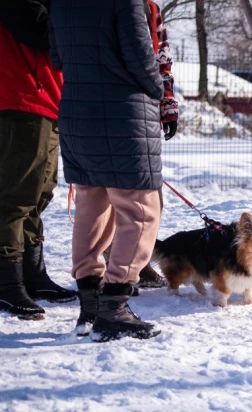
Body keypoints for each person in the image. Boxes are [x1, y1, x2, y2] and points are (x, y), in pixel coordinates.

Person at [49, 0, 166, 341]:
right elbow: (141, 59)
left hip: (75, 111)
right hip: (123, 114)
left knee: (91, 204)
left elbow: (57, 58)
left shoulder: (61, 5)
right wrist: (157, 91)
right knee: (141, 209)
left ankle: (91, 303)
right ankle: (115, 306)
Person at [0, 0, 77, 321]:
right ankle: (8, 282)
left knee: (39, 194)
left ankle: (32, 276)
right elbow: (38, 30)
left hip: (46, 100)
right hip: (21, 98)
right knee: (16, 196)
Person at [103, 0, 179, 289]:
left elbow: (163, 60)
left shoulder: (151, 8)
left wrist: (167, 105)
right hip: (109, 109)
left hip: (144, 115)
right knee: (109, 196)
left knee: (150, 199)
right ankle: (112, 266)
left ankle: (138, 261)